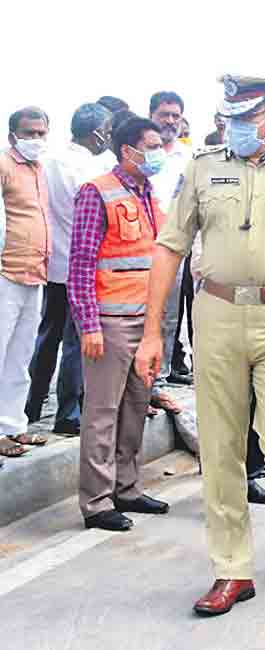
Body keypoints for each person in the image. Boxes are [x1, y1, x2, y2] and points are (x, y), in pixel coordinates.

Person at [133, 74, 265, 616]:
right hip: (217, 314)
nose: (235, 128)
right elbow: (169, 248)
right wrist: (152, 331)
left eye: (246, 119)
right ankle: (231, 569)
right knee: (220, 448)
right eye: (229, 118)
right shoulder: (203, 168)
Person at [68, 116, 173, 532]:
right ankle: (95, 501)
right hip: (109, 323)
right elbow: (80, 263)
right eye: (151, 145)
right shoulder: (98, 193)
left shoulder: (148, 194)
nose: (158, 152)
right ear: (128, 150)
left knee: (135, 407)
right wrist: (88, 324)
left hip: (144, 322)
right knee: (102, 412)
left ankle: (127, 487)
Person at [26, 103, 112, 436]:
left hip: (53, 263)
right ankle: (68, 412)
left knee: (47, 336)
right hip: (81, 268)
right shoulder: (90, 170)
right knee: (76, 341)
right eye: (106, 131)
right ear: (97, 134)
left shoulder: (48, 163)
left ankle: (31, 404)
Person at [0, 107, 52, 459]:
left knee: (19, 357)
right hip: (5, 272)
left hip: (35, 273)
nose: (35, 139)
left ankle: (12, 426)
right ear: (12, 135)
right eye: (28, 133)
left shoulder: (38, 169)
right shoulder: (4, 165)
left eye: (40, 133)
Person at [147, 91, 193, 399]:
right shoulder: (144, 152)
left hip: (175, 247)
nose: (170, 121)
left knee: (170, 314)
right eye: (164, 114)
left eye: (176, 115)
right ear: (152, 114)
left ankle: (159, 377)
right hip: (139, 245)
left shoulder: (188, 158)